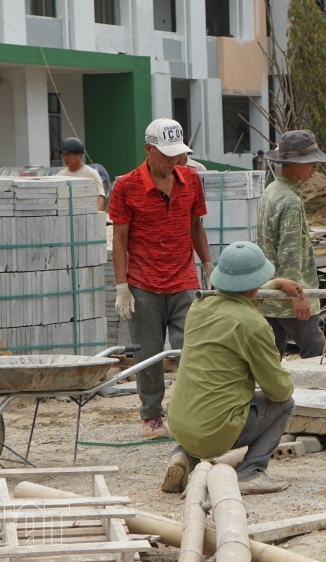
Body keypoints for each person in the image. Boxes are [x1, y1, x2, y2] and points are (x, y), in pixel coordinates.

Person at [164, 241, 299, 495]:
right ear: (255, 282)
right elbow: (278, 391)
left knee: (204, 407)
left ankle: (182, 457)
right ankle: (251, 473)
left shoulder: (198, 307)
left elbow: (236, 301)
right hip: (217, 431)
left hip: (180, 424)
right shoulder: (254, 326)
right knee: (286, 403)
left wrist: (276, 284)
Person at [109, 118, 214, 439]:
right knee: (149, 354)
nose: (173, 161)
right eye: (166, 155)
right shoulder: (126, 187)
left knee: (191, 349)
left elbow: (196, 226)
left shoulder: (192, 181)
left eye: (177, 155)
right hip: (144, 284)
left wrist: (208, 265)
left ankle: (190, 413)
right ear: (148, 149)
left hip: (184, 280)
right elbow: (120, 239)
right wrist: (122, 286)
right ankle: (151, 416)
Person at [257, 131, 326, 358]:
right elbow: (290, 251)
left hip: (270, 293)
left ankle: (270, 395)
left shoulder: (272, 191)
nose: (315, 167)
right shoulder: (289, 200)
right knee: (315, 352)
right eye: (310, 162)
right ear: (295, 164)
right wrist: (297, 297)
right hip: (288, 296)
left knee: (269, 359)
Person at [55, 137, 106, 211]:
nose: (65, 158)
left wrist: (94, 220)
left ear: (79, 154)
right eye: (64, 155)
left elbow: (100, 200)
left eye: (68, 154)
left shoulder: (91, 174)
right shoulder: (60, 176)